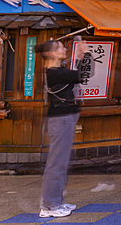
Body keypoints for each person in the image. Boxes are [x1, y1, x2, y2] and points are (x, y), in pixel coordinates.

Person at [37, 39, 87, 218]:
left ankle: (56, 201)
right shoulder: (54, 73)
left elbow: (78, 75)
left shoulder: (59, 71)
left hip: (65, 116)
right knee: (56, 162)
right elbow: (81, 75)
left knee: (61, 161)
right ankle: (49, 205)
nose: (64, 49)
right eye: (60, 48)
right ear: (52, 53)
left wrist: (81, 56)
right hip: (61, 118)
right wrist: (83, 56)